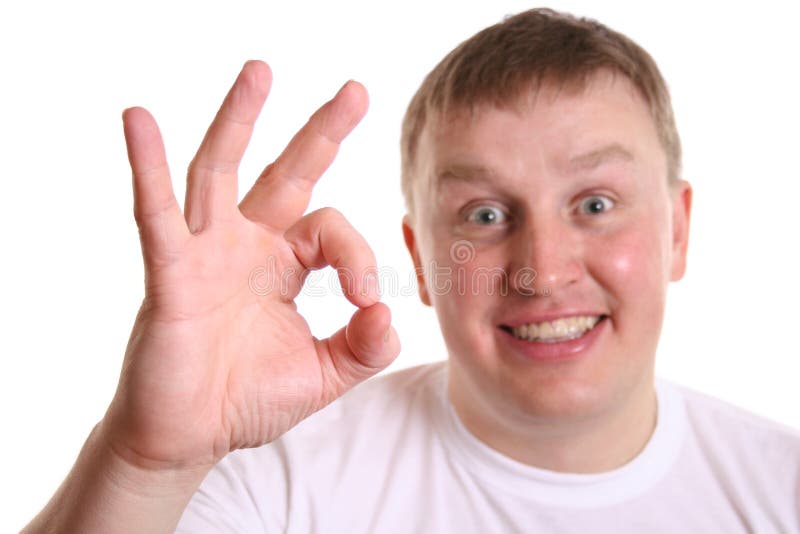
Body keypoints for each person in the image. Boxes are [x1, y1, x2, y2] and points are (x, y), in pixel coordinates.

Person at [22, 8, 799, 533]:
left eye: (595, 204)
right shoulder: (279, 479)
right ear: (424, 261)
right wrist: (146, 459)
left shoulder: (781, 490)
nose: (541, 270)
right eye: (485, 216)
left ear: (679, 232)